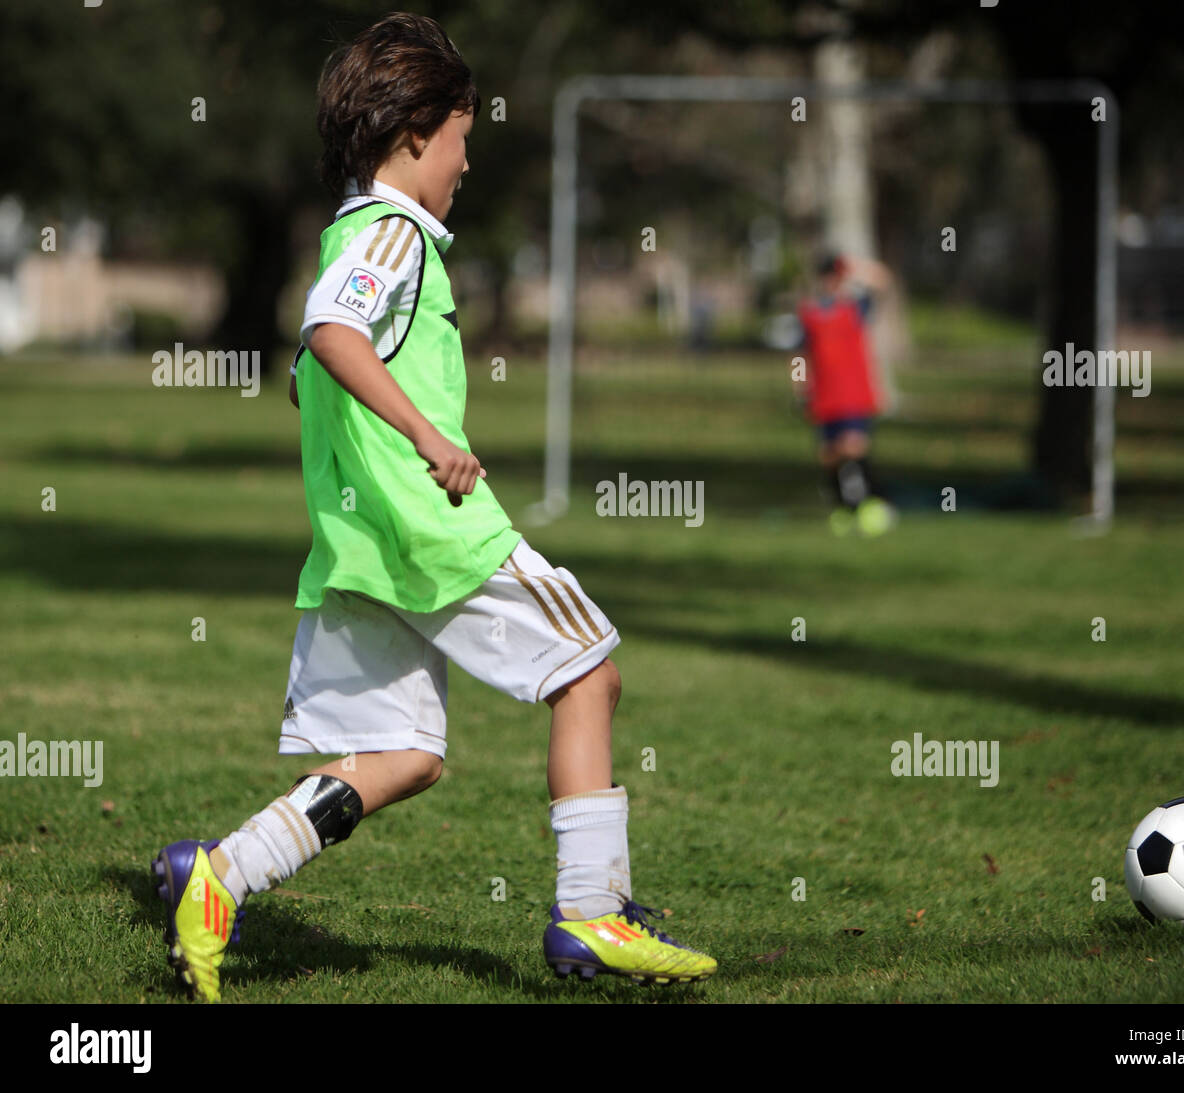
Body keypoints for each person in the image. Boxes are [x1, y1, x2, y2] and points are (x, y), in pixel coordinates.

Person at [151, 12, 715, 1002]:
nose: (465, 160)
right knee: (589, 672)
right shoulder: (397, 236)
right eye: (462, 137)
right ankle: (592, 914)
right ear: (415, 133)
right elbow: (332, 331)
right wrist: (427, 436)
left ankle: (222, 876)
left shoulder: (349, 238)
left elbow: (319, 354)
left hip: (363, 548)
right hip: (435, 529)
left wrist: (327, 395)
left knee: (402, 756)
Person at [795, 252, 897, 537]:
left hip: (853, 393)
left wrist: (852, 267)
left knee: (853, 447)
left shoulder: (855, 308)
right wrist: (800, 387)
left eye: (835, 276)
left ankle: (872, 503)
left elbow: (883, 281)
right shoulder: (810, 314)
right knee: (829, 455)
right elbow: (800, 358)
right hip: (824, 396)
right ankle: (843, 506)